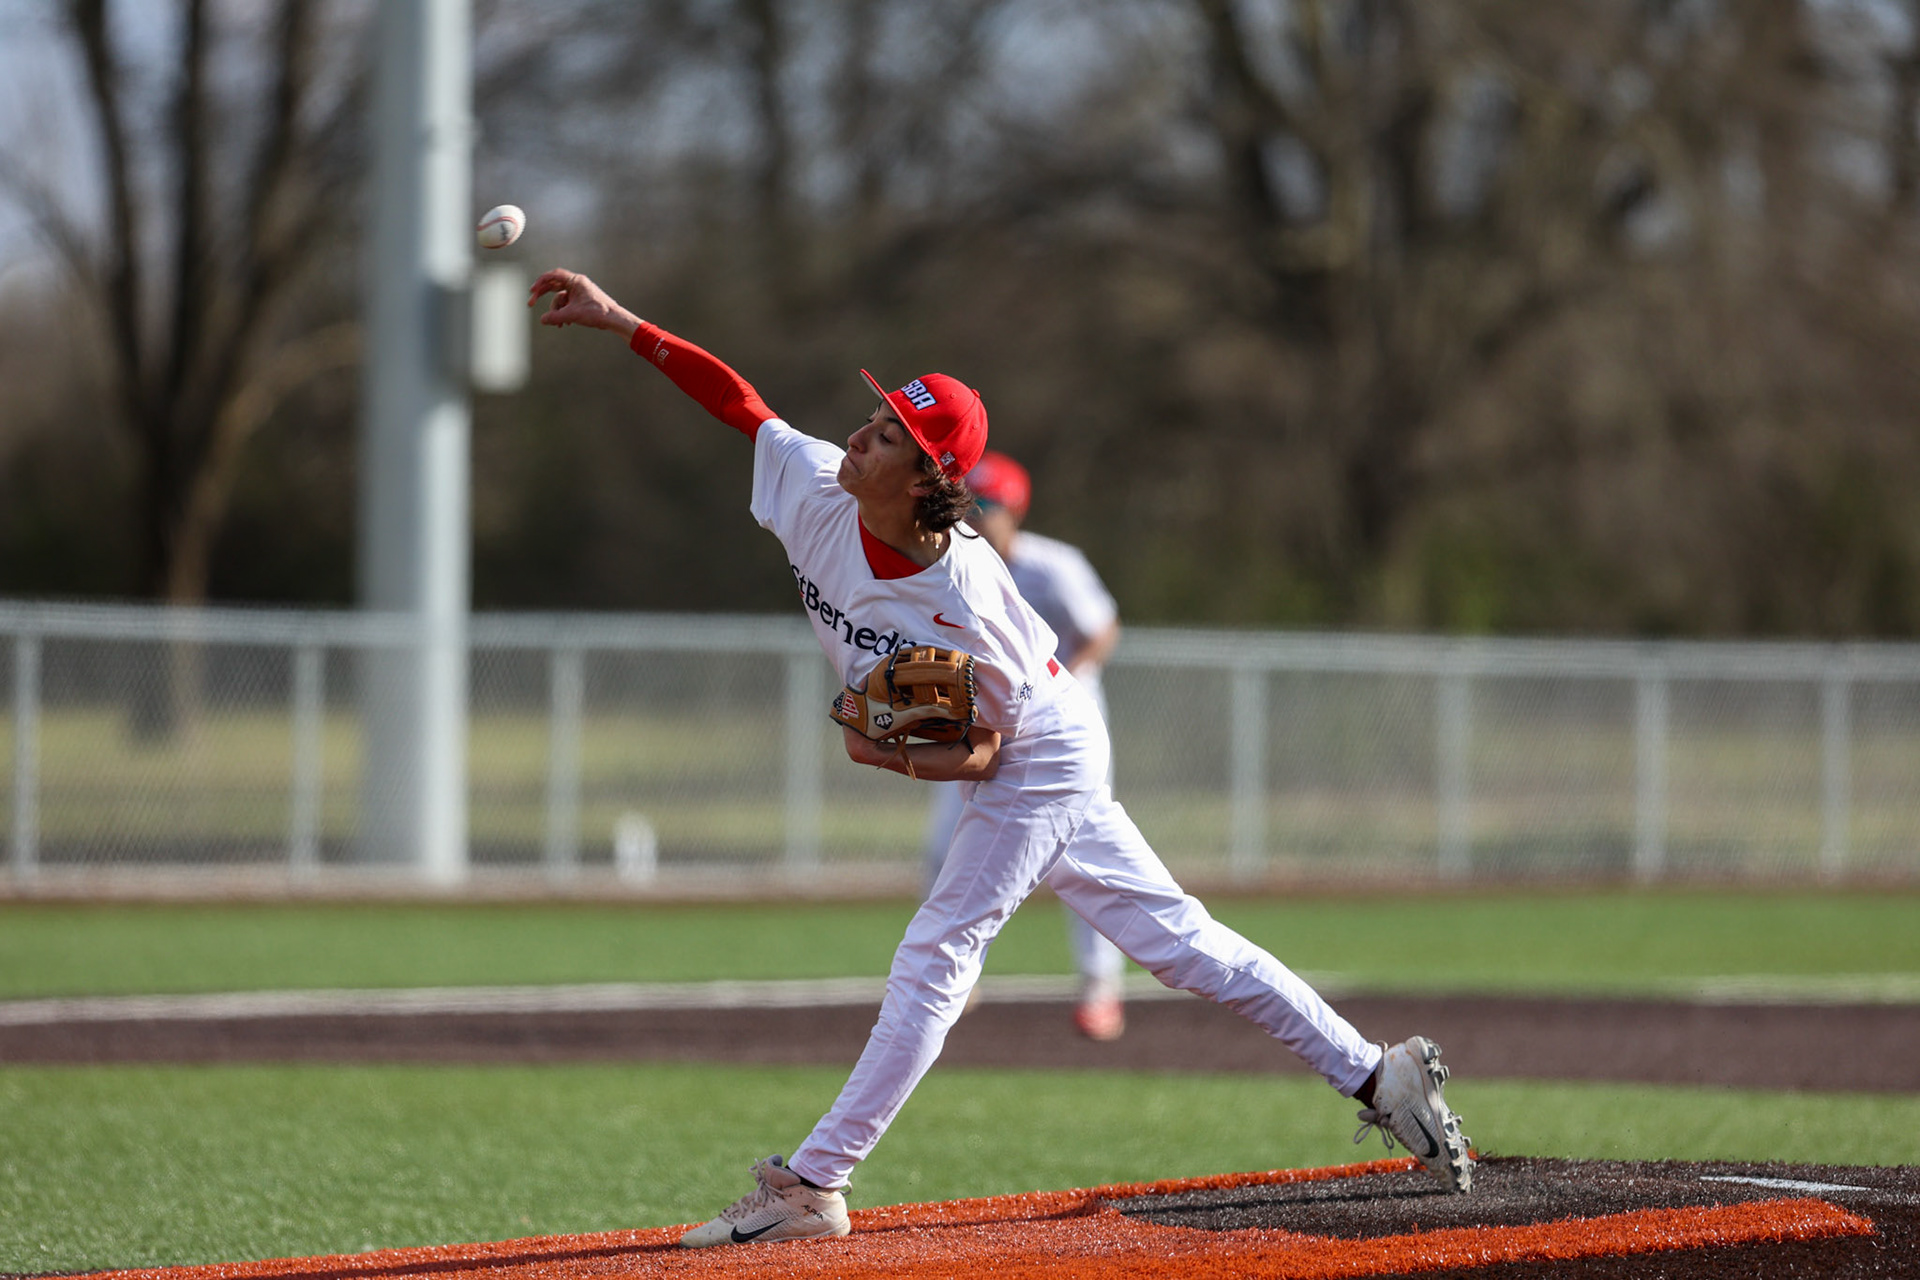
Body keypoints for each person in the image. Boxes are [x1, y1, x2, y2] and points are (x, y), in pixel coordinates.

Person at [526, 267, 1474, 1250]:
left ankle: (814, 1182)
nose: (861, 432)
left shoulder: (968, 593)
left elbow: (985, 746)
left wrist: (884, 751)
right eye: (875, 413)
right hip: (1029, 736)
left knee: (939, 952)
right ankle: (1377, 1072)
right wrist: (622, 320)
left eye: (889, 432)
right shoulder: (817, 483)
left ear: (928, 478)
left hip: (1042, 745)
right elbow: (738, 399)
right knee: (1183, 944)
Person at [921, 450, 1129, 1041]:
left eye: (988, 505)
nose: (978, 515)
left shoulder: (1052, 565)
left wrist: (1062, 679)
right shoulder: (953, 560)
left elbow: (1103, 628)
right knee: (943, 847)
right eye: (970, 504)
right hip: (985, 723)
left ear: (1014, 511)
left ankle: (1100, 987)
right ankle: (955, 977)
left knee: (1078, 860)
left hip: (1063, 728)